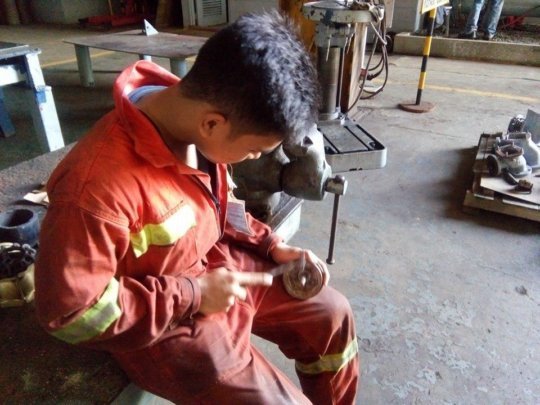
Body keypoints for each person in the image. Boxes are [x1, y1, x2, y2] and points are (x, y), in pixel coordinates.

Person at [34, 12, 359, 404]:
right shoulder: (95, 189)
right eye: (255, 149)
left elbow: (220, 205)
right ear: (212, 124)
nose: (255, 157)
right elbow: (70, 312)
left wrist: (270, 246)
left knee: (332, 314)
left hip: (217, 266)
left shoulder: (194, 119)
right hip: (169, 323)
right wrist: (192, 295)